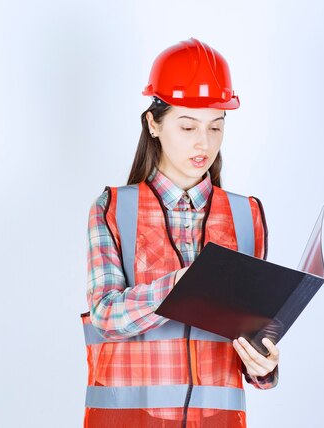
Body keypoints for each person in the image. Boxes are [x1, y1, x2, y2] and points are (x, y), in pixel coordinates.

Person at [81, 38, 280, 428]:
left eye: (216, 126)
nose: (203, 143)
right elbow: (105, 315)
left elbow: (250, 335)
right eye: (187, 125)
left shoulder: (246, 214)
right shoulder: (113, 209)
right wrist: (182, 284)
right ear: (154, 123)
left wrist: (264, 366)